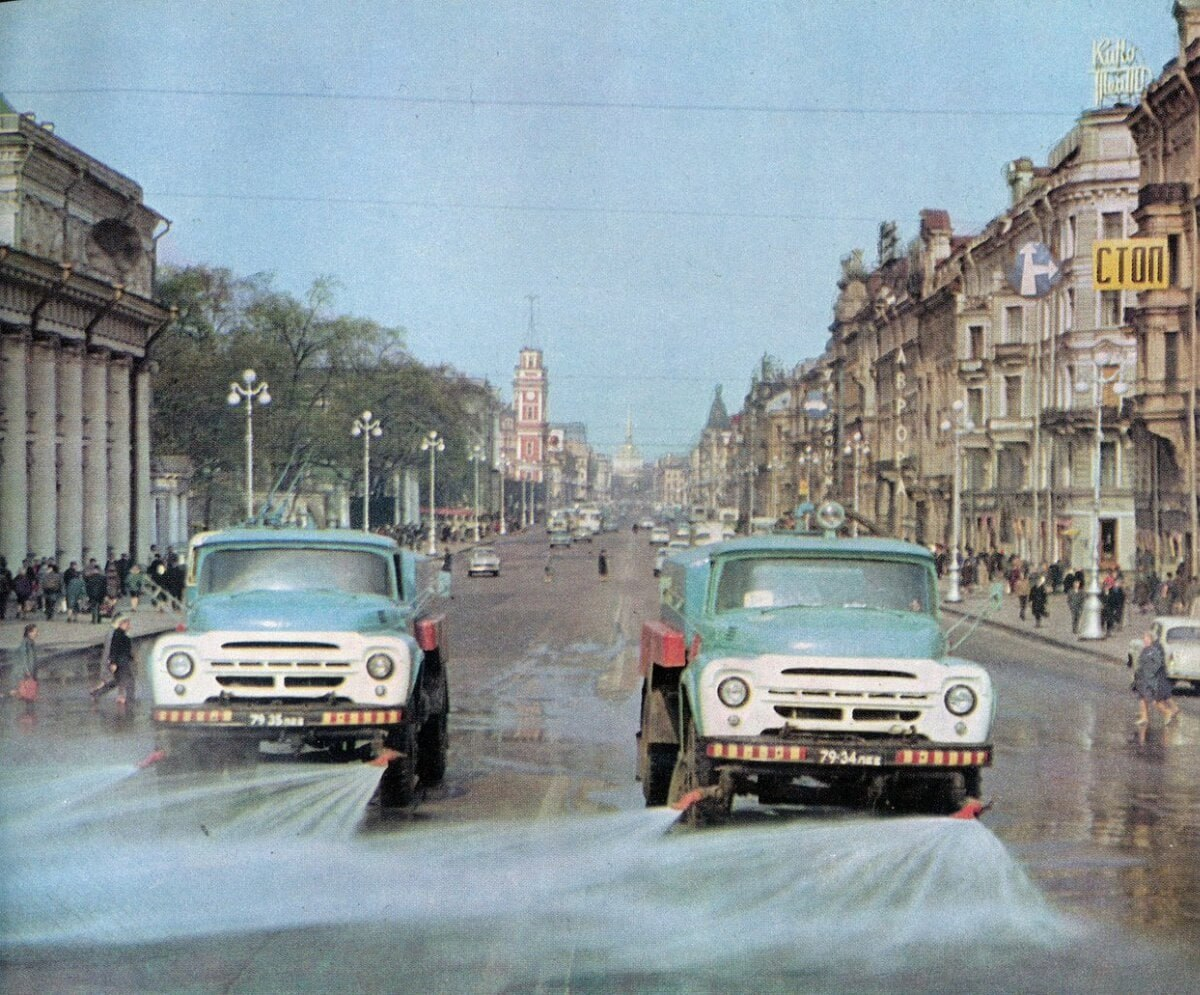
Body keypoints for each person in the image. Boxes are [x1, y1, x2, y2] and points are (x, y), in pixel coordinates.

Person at [1132, 629, 1180, 727]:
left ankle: (1167, 712)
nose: (1144, 640)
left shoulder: (1154, 650)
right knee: (1146, 697)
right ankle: (1145, 717)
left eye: (1146, 638)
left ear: (1151, 639)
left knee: (1155, 700)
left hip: (1154, 679)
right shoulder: (1150, 649)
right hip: (1150, 678)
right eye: (1144, 638)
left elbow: (1154, 665)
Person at [91, 614, 135, 707]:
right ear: (121, 624)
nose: (130, 626)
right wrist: (113, 662)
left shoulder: (122, 634)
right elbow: (113, 649)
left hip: (121, 660)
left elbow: (124, 649)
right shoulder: (117, 634)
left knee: (116, 681)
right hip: (120, 662)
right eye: (128, 624)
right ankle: (129, 699)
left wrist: (131, 657)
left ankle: (97, 693)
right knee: (129, 680)